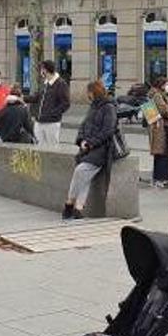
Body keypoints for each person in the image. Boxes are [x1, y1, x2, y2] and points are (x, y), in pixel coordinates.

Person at [65, 80, 119, 220]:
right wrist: (81, 140)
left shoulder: (108, 107)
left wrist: (90, 143)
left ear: (93, 92)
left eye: (88, 92)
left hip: (102, 150)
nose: (87, 95)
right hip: (88, 148)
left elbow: (108, 130)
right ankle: (78, 209)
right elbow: (84, 125)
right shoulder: (93, 106)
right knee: (84, 176)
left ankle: (69, 203)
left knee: (81, 171)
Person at [27, 60, 71, 145]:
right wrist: (22, 98)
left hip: (51, 123)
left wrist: (53, 113)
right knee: (39, 146)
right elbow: (36, 97)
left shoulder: (60, 84)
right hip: (39, 121)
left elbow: (66, 103)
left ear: (45, 70)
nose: (40, 72)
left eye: (41, 69)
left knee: (52, 147)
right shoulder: (45, 83)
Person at [147, 76, 168, 187]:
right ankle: (160, 178)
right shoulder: (158, 95)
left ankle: (160, 177)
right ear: (161, 85)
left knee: (160, 153)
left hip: (156, 126)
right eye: (166, 84)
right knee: (162, 152)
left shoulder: (153, 94)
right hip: (161, 127)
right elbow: (164, 110)